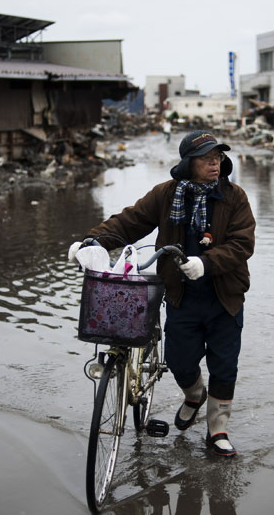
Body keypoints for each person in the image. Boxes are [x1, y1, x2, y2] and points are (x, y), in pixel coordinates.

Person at [68, 131, 255, 457]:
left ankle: (218, 428)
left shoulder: (234, 196)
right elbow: (129, 222)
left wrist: (206, 263)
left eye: (218, 156)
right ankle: (194, 395)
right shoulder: (167, 195)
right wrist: (90, 241)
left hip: (225, 295)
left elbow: (242, 244)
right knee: (180, 362)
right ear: (188, 164)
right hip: (182, 295)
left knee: (224, 366)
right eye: (206, 158)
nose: (215, 162)